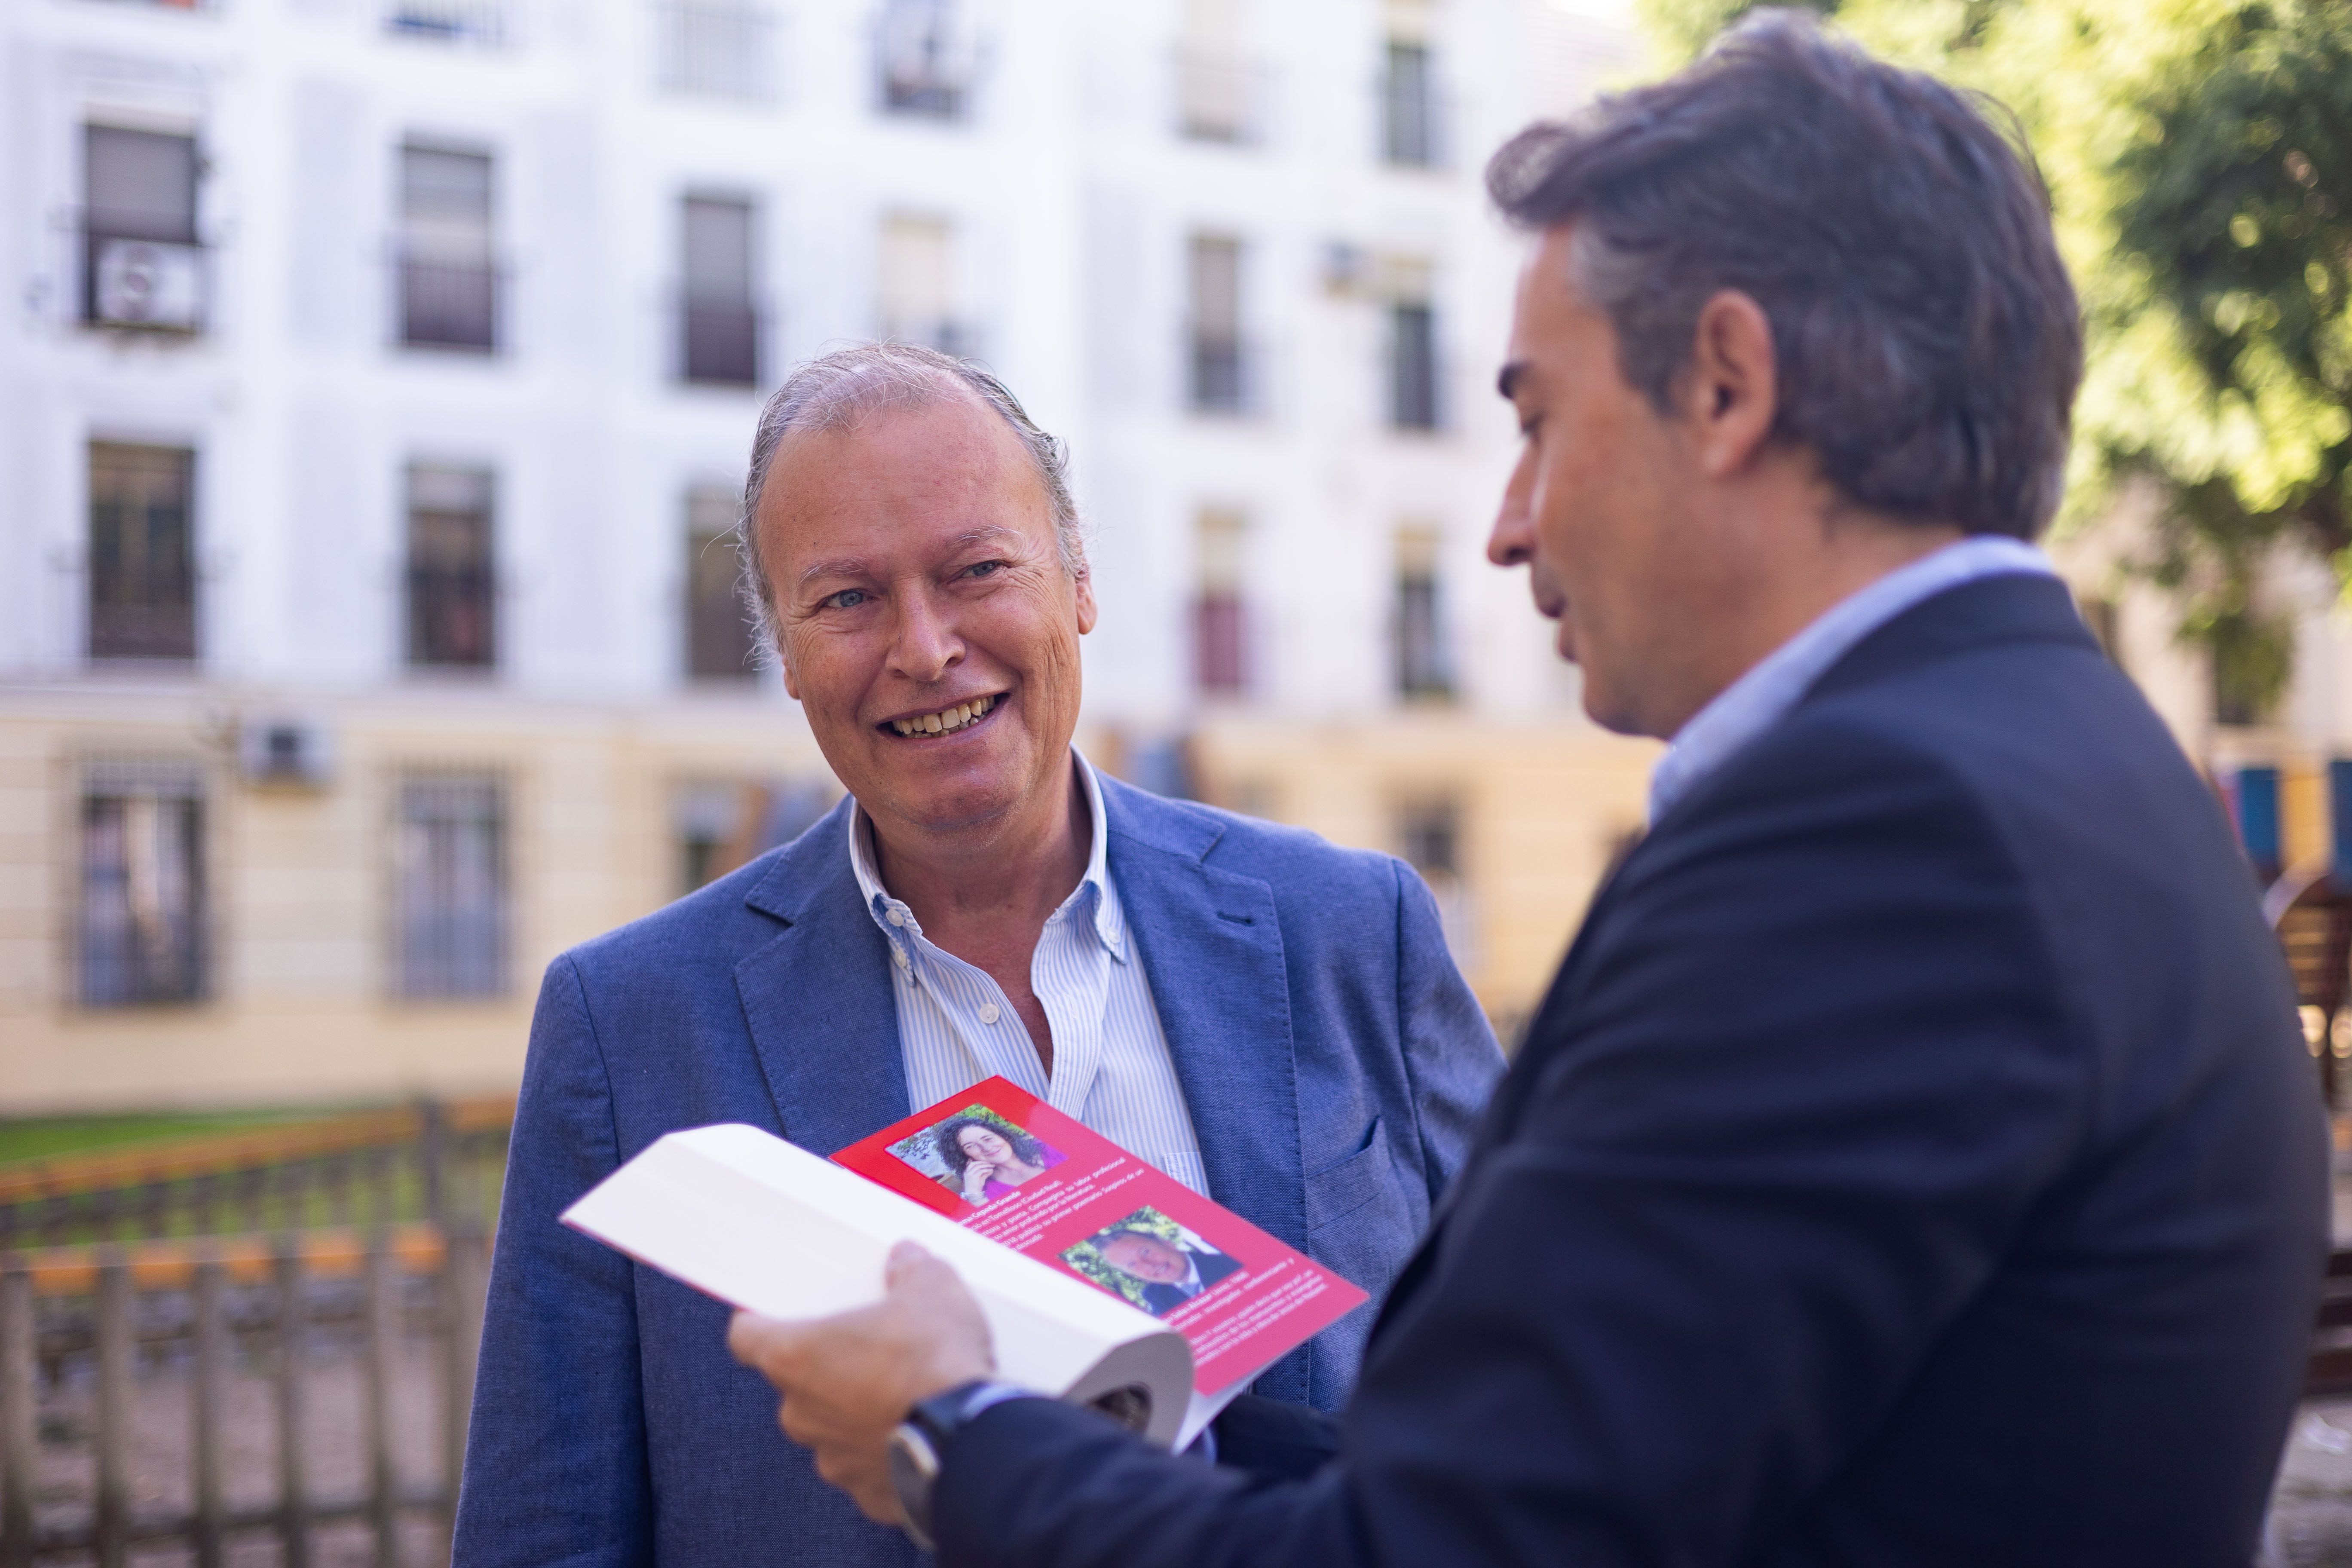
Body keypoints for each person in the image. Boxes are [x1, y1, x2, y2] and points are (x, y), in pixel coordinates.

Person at [726, 17, 2332, 1567]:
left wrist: (956, 1429)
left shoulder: (1866, 840)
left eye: (1538, 419)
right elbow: (1627, 1461)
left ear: (1723, 382)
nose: (1505, 525)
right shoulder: (2085, 759)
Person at [451, 343, 1506, 1568]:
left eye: (977, 570)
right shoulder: (630, 1026)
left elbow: (1555, 1377)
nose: (925, 646)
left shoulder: (1349, 932)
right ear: (784, 653)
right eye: (847, 598)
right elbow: (547, 1531)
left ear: (1078, 582)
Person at [1094, 1226, 1242, 1317]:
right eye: (1132, 1265)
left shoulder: (1230, 1262)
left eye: (1145, 1252)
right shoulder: (1155, 1297)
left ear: (1167, 1243)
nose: (1149, 1265)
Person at [935, 1117, 1062, 1205]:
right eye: (971, 1146)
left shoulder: (1047, 1147)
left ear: (1002, 1136)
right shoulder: (985, 1189)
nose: (987, 1148)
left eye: (988, 1138)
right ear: (964, 1156)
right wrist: (974, 1195)